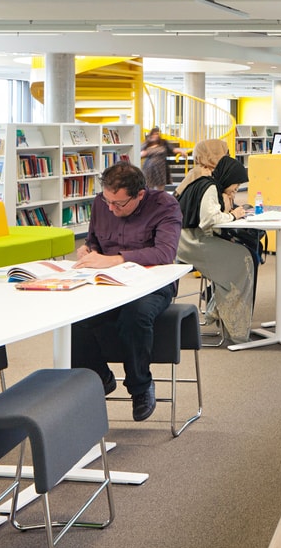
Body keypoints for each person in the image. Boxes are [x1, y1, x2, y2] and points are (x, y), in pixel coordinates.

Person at [71, 162, 182, 421]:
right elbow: (95, 241)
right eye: (107, 201)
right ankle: (99, 376)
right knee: (73, 314)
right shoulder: (103, 202)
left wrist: (117, 259)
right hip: (108, 280)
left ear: (139, 195)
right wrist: (87, 251)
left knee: (136, 313)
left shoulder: (165, 205)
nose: (110, 208)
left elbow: (165, 253)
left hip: (152, 283)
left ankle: (140, 386)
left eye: (118, 204)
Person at [174, 139, 256, 346]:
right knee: (243, 258)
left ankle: (218, 310)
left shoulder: (197, 177)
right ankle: (233, 326)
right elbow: (208, 219)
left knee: (243, 254)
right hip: (192, 242)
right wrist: (234, 216)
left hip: (183, 238)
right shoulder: (209, 184)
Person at [140, 127, 175, 192]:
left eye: (157, 134)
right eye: (153, 134)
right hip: (149, 169)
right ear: (150, 135)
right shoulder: (146, 144)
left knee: (160, 189)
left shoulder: (163, 142)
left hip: (161, 169)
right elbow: (139, 154)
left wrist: (181, 152)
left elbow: (172, 149)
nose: (155, 135)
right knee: (149, 188)